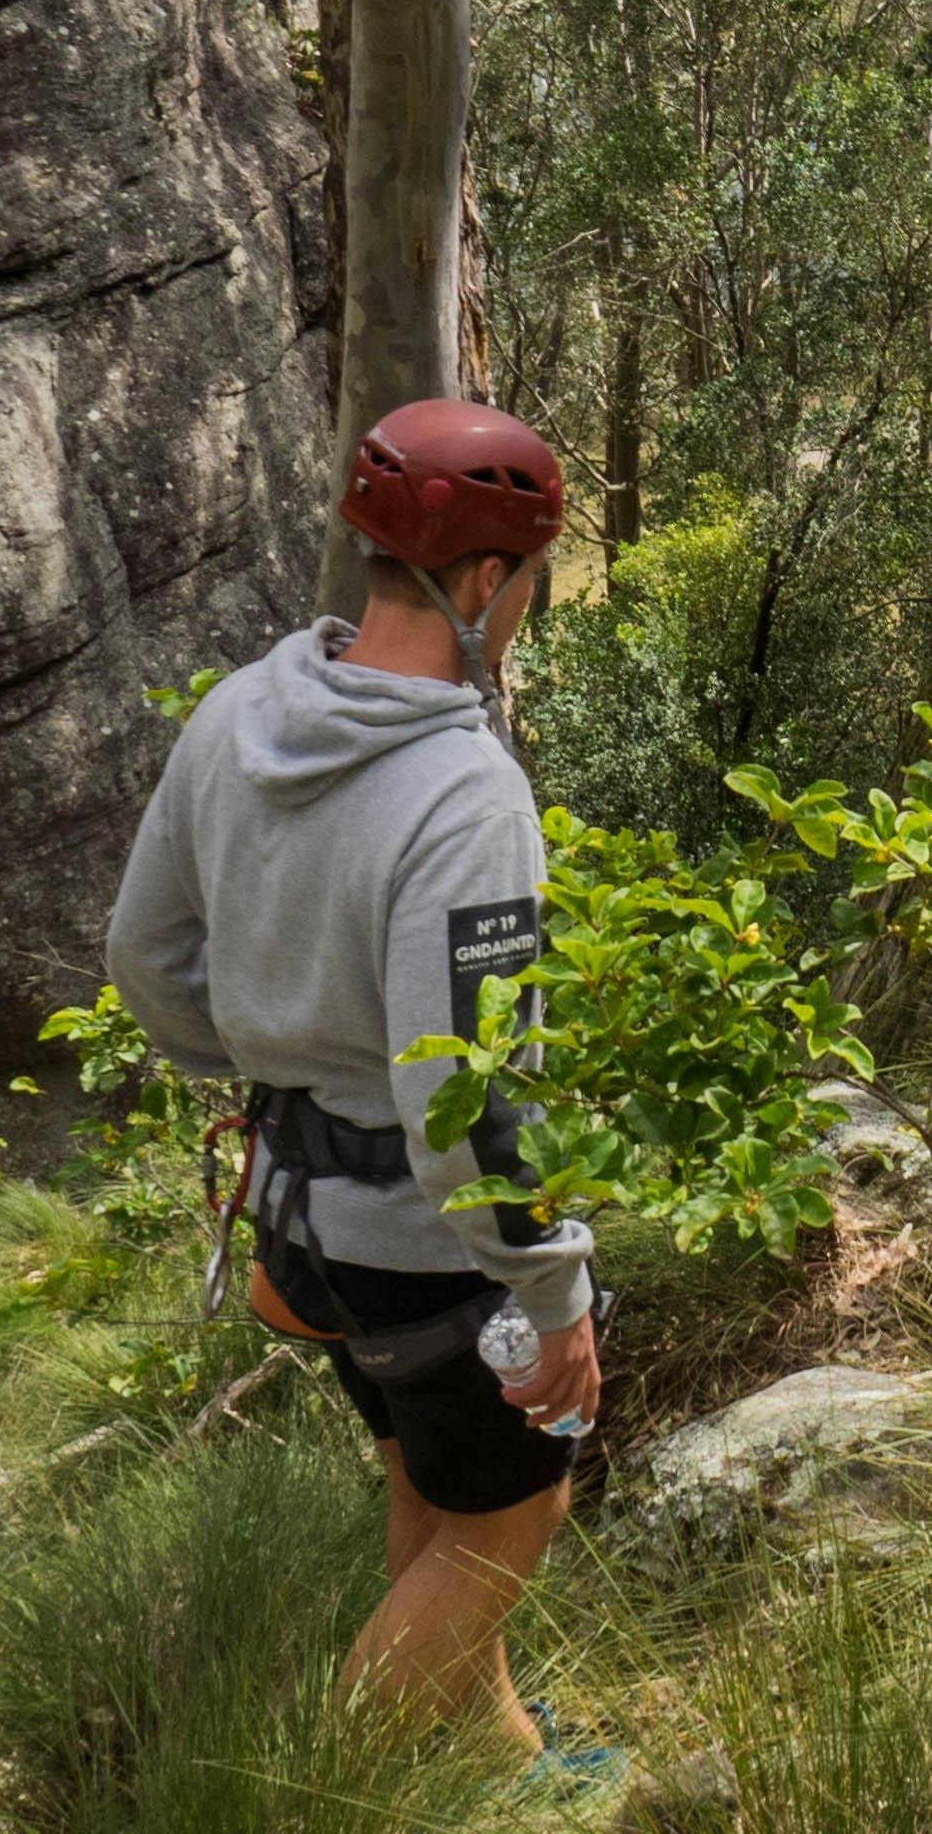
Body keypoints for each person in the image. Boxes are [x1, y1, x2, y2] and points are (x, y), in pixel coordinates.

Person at [104, 401, 601, 1765]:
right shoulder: (463, 794)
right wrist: (553, 1288)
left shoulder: (239, 715)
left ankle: (506, 1774)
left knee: (432, 1480)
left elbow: (146, 961)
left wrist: (277, 1059)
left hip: (299, 1217)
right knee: (511, 1521)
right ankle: (340, 1785)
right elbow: (469, 1108)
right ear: (490, 581)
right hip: (425, 1247)